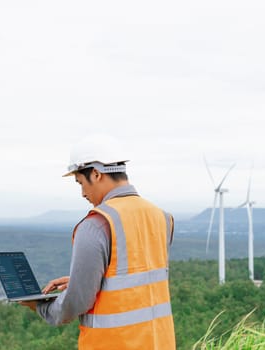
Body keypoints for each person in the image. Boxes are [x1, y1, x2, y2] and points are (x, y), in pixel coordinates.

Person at [20, 137, 176, 349]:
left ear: (96, 173)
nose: (83, 193)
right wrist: (88, 279)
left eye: (81, 183)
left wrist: (40, 307)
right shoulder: (162, 217)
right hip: (160, 342)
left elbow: (76, 303)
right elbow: (138, 279)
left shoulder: (96, 224)